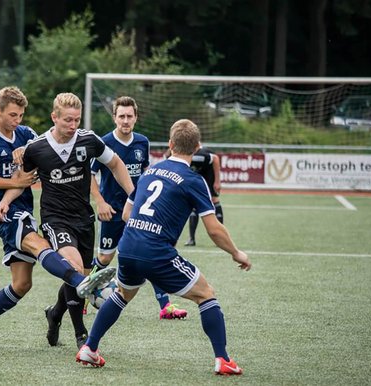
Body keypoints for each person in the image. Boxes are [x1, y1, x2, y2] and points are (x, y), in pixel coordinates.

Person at [76, 119, 252, 376]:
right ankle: (223, 359)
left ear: (170, 145)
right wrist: (237, 253)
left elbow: (127, 213)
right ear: (197, 148)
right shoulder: (194, 180)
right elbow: (214, 229)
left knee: (123, 295)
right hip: (155, 251)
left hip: (128, 245)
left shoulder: (150, 172)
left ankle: (89, 348)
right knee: (206, 294)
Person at [0, 86, 116, 349]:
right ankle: (84, 285)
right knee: (44, 247)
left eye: (21, 115)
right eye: (12, 115)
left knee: (22, 284)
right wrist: (12, 184)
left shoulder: (26, 135)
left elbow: (41, 151)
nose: (18, 120)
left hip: (24, 210)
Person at [0, 92, 134, 349]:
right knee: (72, 264)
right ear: (54, 117)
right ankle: (81, 334)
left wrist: (133, 196)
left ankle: (55, 313)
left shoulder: (88, 140)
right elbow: (21, 180)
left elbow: (116, 164)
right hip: (55, 218)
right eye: (67, 121)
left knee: (79, 276)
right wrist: (6, 201)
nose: (73, 126)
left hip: (84, 218)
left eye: (77, 120)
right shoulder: (37, 148)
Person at [89, 96, 187, 319]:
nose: (125, 120)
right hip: (112, 212)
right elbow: (90, 174)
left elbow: (145, 175)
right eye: (121, 116)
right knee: (104, 259)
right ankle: (84, 294)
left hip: (136, 212)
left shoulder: (142, 142)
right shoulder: (104, 143)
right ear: (114, 118)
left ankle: (166, 306)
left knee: (149, 253)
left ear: (136, 118)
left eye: (129, 116)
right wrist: (100, 201)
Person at [185, 145, 222, 246]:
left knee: (214, 200)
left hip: (209, 176)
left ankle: (220, 239)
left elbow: (215, 158)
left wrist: (217, 181)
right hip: (197, 178)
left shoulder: (201, 155)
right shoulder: (183, 154)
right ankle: (191, 239)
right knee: (193, 204)